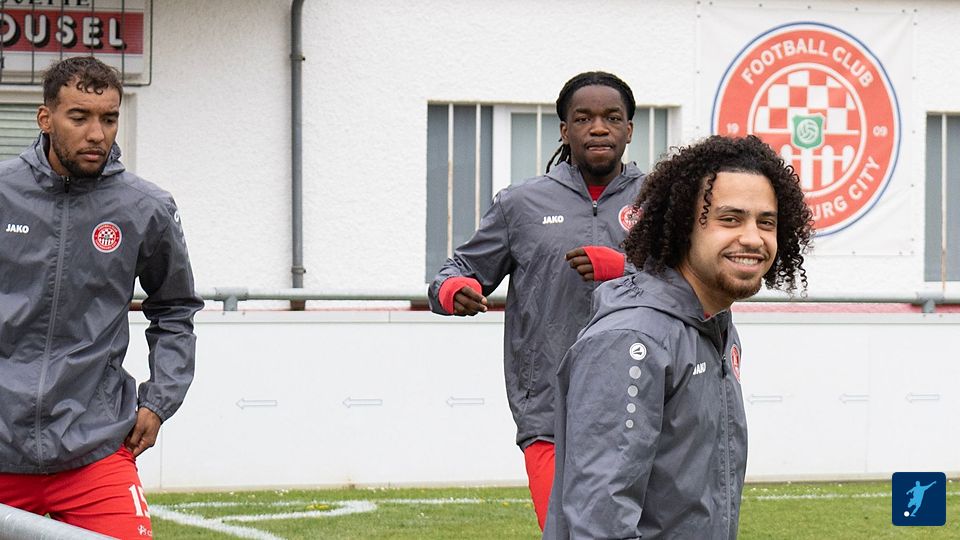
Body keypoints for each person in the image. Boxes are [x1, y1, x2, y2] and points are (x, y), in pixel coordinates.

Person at [544, 135, 814, 539]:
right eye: (730, 219)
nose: (753, 238)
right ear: (684, 225)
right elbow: (601, 521)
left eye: (766, 222)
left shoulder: (713, 326)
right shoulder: (633, 339)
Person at [427, 71, 645, 529]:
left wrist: (623, 268)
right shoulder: (520, 203)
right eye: (583, 118)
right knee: (564, 530)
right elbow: (459, 270)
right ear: (565, 130)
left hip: (641, 400)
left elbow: (691, 282)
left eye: (612, 118)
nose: (598, 128)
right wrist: (453, 290)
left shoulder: (661, 202)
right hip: (548, 408)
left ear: (629, 130)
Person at [0, 56, 202, 538]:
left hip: (95, 448)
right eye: (79, 117)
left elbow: (174, 309)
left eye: (108, 118)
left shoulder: (146, 207)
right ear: (46, 118)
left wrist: (159, 399)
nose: (97, 134)